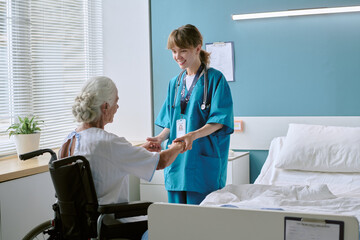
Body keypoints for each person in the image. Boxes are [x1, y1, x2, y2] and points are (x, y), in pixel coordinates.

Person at [59, 76, 185, 205]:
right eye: (116, 101)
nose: (117, 107)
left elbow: (103, 161)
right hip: (111, 219)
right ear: (105, 106)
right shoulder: (108, 142)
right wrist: (179, 145)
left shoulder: (68, 142)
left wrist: (138, 150)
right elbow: (161, 161)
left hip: (79, 222)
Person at [147, 24, 234, 205]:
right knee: (177, 224)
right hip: (176, 163)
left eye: (183, 51)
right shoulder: (175, 83)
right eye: (173, 51)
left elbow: (219, 121)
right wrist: (159, 138)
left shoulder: (216, 79)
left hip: (202, 162)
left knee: (200, 225)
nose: (177, 57)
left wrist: (193, 135)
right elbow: (171, 120)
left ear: (198, 47)